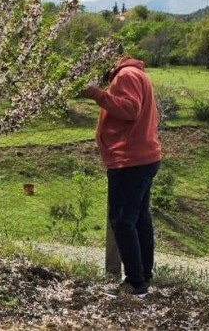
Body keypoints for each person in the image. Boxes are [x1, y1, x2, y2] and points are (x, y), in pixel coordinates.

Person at [82, 55, 162, 297]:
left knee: (122, 220)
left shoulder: (126, 75)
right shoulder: (137, 74)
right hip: (143, 157)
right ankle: (143, 276)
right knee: (139, 219)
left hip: (129, 160)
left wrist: (96, 94)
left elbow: (130, 109)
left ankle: (135, 283)